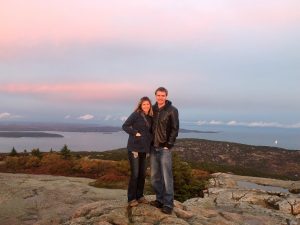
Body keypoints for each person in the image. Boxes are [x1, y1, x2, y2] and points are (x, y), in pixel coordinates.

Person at [150, 87, 179, 214]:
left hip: (164, 148)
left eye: (163, 95)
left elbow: (175, 128)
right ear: (155, 96)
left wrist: (169, 144)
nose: (160, 97)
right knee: (155, 177)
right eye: (158, 95)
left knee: (167, 177)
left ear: (166, 96)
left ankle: (168, 204)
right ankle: (160, 200)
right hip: (152, 147)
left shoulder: (172, 110)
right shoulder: (152, 109)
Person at [122, 96, 153, 207]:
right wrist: (135, 133)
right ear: (140, 105)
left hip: (145, 149)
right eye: (144, 104)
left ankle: (139, 196)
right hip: (134, 149)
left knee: (142, 174)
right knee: (135, 174)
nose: (146, 106)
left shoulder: (150, 117)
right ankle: (131, 198)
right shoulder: (135, 114)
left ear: (150, 105)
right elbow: (125, 126)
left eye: (148, 104)